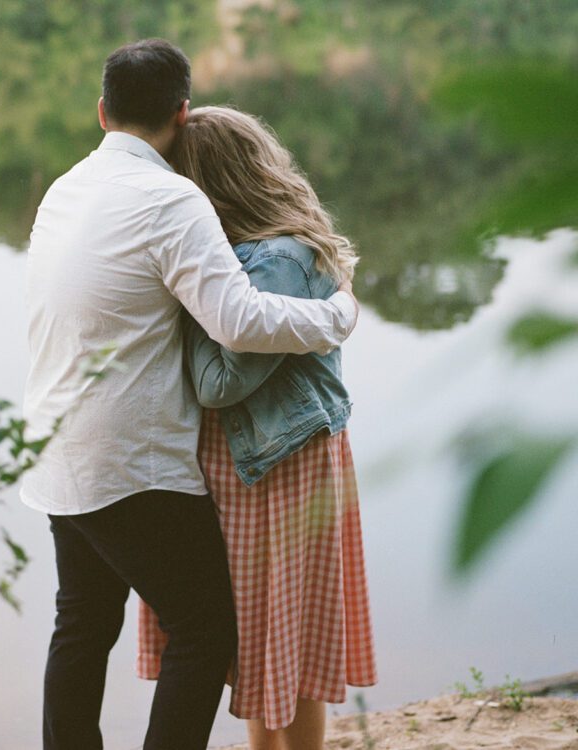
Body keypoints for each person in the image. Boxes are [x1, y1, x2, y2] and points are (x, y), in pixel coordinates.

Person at [21, 39, 359, 750]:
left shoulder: (66, 188)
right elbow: (238, 320)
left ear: (101, 111)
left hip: (55, 445)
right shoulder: (172, 198)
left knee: (81, 621)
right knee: (204, 631)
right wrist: (335, 316)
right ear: (181, 110)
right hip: (131, 463)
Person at [135, 105, 378, 750]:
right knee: (253, 635)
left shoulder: (278, 260)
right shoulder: (232, 254)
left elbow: (220, 385)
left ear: (204, 182)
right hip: (243, 462)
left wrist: (178, 306)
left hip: (279, 464)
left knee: (285, 638)